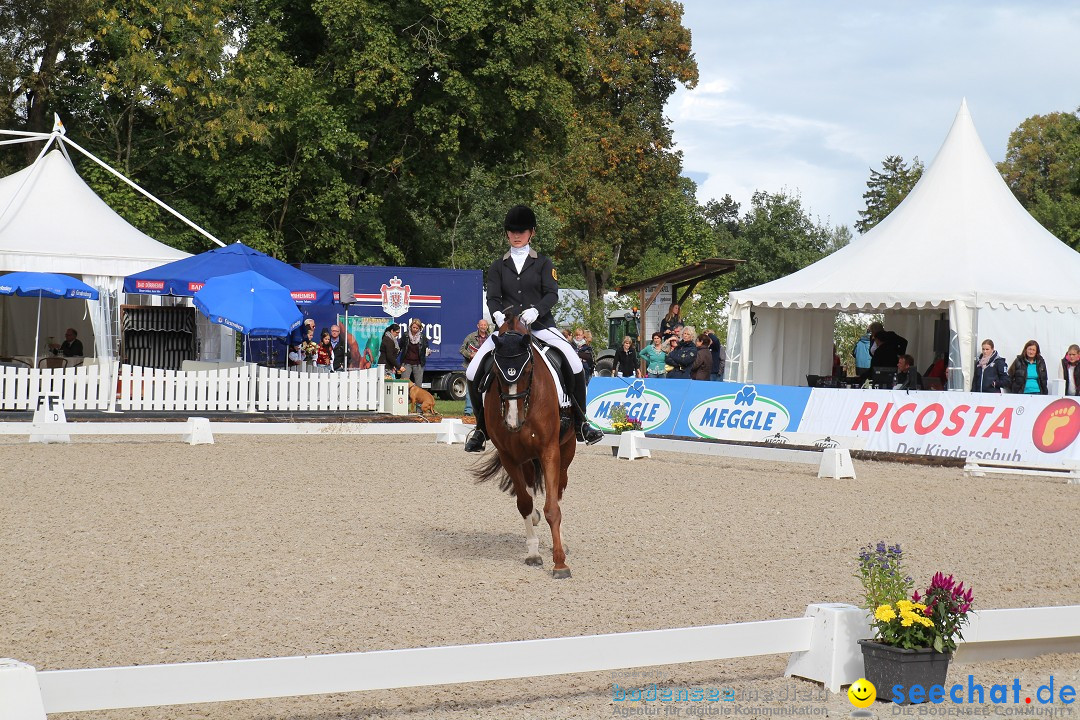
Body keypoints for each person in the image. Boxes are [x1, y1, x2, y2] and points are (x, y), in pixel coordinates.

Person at [463, 205, 603, 451]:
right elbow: (493, 297)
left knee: (574, 361)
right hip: (507, 331)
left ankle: (582, 423)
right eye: (512, 231)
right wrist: (497, 315)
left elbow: (552, 294)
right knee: (473, 371)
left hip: (539, 326)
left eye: (522, 231)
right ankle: (481, 428)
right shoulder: (498, 266)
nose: (517, 235)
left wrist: (536, 310)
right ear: (507, 234)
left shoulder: (543, 263)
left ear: (532, 233)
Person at [460, 319, 490, 416]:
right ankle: (468, 411)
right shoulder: (471, 336)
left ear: (487, 326)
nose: (483, 327)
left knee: (485, 389)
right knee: (470, 389)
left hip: (485, 367)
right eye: (481, 325)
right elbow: (462, 349)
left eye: (485, 325)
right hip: (471, 366)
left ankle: (484, 411)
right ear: (478, 326)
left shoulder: (490, 338)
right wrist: (470, 355)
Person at [397, 318, 429, 387]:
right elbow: (399, 348)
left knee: (418, 384)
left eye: (417, 328)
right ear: (410, 327)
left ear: (420, 329)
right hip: (406, 362)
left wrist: (428, 352)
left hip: (418, 363)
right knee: (404, 383)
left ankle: (417, 397)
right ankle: (404, 397)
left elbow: (426, 348)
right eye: (413, 327)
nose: (415, 329)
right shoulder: (405, 336)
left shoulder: (423, 337)